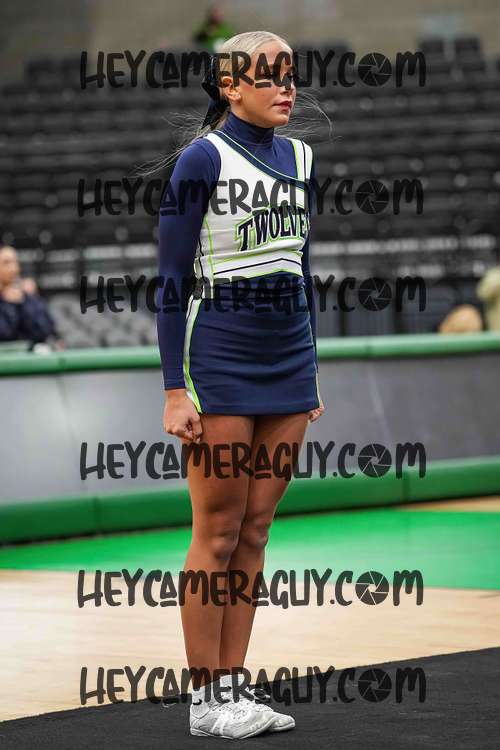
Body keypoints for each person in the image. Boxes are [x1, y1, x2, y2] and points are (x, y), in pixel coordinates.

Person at [156, 31, 326, 739]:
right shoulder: (203, 159)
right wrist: (175, 387)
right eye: (269, 76)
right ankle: (205, 701)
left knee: (256, 529)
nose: (286, 88)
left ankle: (233, 687)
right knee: (219, 529)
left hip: (288, 361)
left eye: (290, 74)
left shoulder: (302, 158)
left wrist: (310, 369)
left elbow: (300, 266)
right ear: (230, 87)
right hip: (220, 358)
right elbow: (170, 280)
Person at [0, 245, 59, 346]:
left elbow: (45, 330)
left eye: (15, 262)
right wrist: (8, 304)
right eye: (6, 263)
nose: (13, 268)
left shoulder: (27, 296)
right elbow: (5, 334)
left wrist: (23, 302)